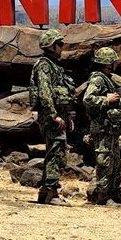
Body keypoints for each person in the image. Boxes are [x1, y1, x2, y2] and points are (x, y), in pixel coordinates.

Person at [29, 29, 75, 205]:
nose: (62, 48)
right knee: (56, 153)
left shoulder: (55, 65)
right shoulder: (44, 65)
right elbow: (45, 93)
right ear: (51, 46)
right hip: (52, 117)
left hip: (59, 115)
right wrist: (53, 115)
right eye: (60, 44)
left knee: (54, 151)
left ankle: (45, 192)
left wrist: (67, 114)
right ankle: (52, 194)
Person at [83, 47, 121, 207]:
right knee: (105, 162)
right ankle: (102, 196)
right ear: (107, 63)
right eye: (113, 61)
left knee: (115, 163)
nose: (115, 64)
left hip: (111, 129)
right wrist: (106, 99)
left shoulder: (107, 78)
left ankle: (114, 194)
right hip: (102, 128)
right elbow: (88, 99)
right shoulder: (97, 79)